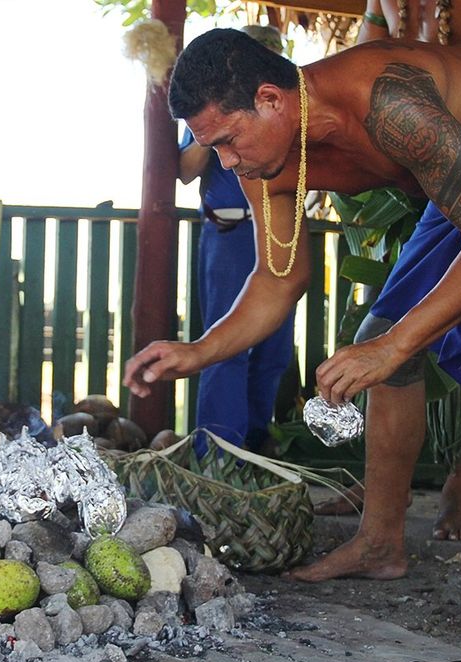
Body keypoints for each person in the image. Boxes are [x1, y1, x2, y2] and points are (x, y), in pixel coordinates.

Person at [124, 29, 461, 659]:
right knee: (380, 338)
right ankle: (381, 541)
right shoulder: (264, 159)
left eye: (227, 142)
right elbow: (278, 277)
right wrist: (200, 350)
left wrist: (401, 345)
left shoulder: (388, 103)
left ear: (271, 99)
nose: (226, 162)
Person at [316, 0, 461, 541]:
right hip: (421, 184)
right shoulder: (382, 4)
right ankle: (380, 518)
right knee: (380, 331)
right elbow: (356, 78)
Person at [179, 24, 295, 455]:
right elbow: (185, 171)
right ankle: (218, 452)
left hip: (280, 225)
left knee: (273, 346)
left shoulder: (284, 103)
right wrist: (222, 129)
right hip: (228, 232)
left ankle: (257, 443)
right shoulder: (210, 111)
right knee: (227, 341)